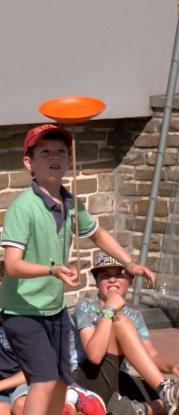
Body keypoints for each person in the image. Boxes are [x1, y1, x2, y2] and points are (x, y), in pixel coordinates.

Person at [0, 124, 156, 415]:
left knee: (61, 381)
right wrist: (52, 270)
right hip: (22, 312)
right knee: (44, 381)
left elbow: (98, 234)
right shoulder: (23, 207)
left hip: (54, 311)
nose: (55, 157)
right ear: (28, 162)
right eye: (45, 152)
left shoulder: (71, 202)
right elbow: (12, 265)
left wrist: (129, 262)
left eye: (61, 151)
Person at [72, 251, 179, 415]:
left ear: (130, 280)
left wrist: (172, 366)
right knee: (118, 320)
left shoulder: (134, 315)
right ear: (97, 281)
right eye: (106, 275)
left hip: (118, 381)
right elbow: (94, 356)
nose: (113, 279)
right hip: (89, 380)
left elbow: (152, 355)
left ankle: (137, 410)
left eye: (119, 275)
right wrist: (109, 309)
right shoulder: (85, 306)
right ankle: (166, 392)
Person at [0, 324, 107, 415]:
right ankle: (65, 406)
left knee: (21, 407)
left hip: (27, 381)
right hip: (4, 393)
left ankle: (69, 396)